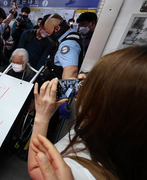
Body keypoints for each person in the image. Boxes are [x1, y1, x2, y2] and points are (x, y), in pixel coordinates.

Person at [28, 46, 147, 180]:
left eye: (93, 89)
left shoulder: (76, 172)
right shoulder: (120, 141)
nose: (84, 90)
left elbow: (36, 168)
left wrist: (42, 117)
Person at [43, 13, 82, 79]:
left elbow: (71, 72)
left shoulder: (68, 44)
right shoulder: (72, 36)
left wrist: (64, 88)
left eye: (48, 33)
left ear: (57, 28)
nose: (48, 36)